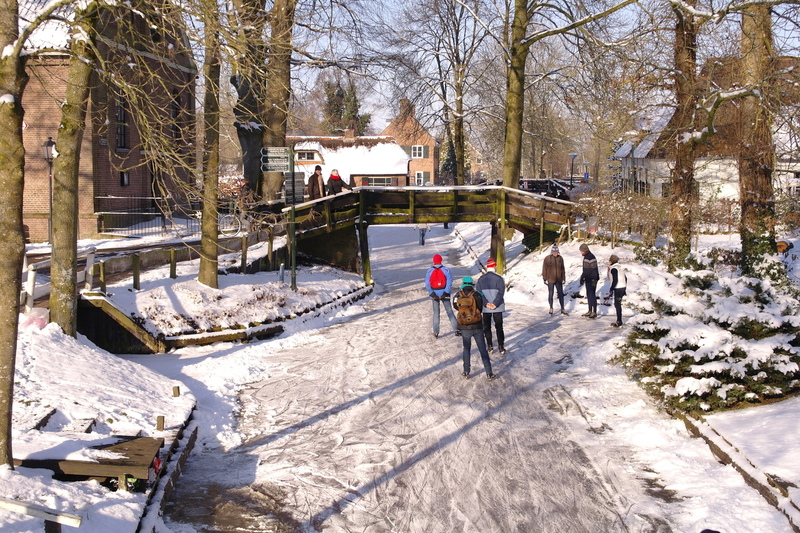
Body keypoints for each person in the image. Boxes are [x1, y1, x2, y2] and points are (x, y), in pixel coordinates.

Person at [453, 277, 495, 380]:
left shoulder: (458, 295)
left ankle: (466, 371)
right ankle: (489, 373)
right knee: (482, 349)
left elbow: (455, 306)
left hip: (464, 326)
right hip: (477, 325)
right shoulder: (477, 294)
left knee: (466, 349)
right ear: (472, 284)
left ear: (463, 283)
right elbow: (480, 307)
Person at [425, 254, 460, 338]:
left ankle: (436, 332)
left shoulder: (429, 271)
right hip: (444, 293)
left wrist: (432, 293)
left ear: (433, 261)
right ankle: (456, 330)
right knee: (449, 312)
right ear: (441, 260)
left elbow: (427, 283)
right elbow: (449, 281)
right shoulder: (446, 270)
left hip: (434, 293)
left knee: (436, 313)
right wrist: (446, 292)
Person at [476, 258, 506, 354]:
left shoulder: (481, 279)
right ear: (494, 266)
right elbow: (501, 292)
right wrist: (495, 303)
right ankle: (501, 347)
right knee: (499, 327)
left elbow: (479, 293)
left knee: (487, 326)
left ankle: (489, 346)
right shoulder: (499, 278)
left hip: (486, 308)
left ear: (487, 266)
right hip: (498, 307)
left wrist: (486, 303)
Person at [542, 244, 567, 315]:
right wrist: (545, 278)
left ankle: (562, 308)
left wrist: (563, 278)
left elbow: (563, 269)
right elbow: (544, 269)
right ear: (552, 252)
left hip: (558, 279)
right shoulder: (547, 259)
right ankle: (551, 307)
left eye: (557, 252)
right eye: (555, 253)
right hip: (550, 280)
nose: (556, 254)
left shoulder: (560, 258)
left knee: (561, 294)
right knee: (551, 294)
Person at [579, 243, 599, 318]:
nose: (581, 252)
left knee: (592, 295)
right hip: (587, 279)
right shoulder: (586, 257)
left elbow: (594, 269)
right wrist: (582, 277)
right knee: (589, 295)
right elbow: (586, 270)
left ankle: (594, 312)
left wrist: (594, 279)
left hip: (592, 279)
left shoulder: (591, 257)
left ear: (585, 251)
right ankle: (590, 310)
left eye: (581, 251)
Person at [607, 254, 627, 327]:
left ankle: (619, 321)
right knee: (618, 304)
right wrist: (625, 288)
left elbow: (615, 280)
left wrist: (611, 289)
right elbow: (625, 278)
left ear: (611, 261)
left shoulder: (613, 269)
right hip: (622, 286)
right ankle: (619, 320)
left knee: (617, 304)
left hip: (618, 288)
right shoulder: (620, 267)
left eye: (609, 260)